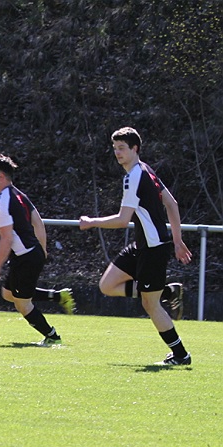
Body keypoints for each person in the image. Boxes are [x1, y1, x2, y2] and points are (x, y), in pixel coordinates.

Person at [79, 127, 192, 365]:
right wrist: (177, 241)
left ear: (135, 149)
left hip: (153, 249)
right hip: (143, 245)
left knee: (150, 304)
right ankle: (168, 292)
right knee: (107, 285)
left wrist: (92, 222)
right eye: (115, 148)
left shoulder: (134, 177)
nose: (117, 153)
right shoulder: (145, 170)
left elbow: (123, 220)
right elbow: (172, 204)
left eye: (122, 148)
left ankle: (181, 355)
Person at [0, 154, 76, 346]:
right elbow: (38, 222)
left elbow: (7, 238)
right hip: (29, 255)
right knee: (8, 293)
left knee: (22, 303)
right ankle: (58, 296)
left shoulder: (1, 201)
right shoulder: (18, 195)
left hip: (25, 258)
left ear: (1, 176)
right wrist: (42, 249)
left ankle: (52, 337)